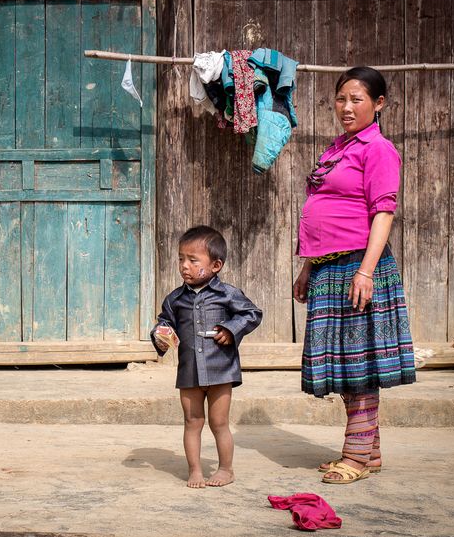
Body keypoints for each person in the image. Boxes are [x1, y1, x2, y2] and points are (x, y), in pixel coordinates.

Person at [292, 67, 416, 485]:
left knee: (359, 362)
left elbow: (384, 213)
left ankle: (356, 456)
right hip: (328, 266)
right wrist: (307, 266)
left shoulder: (378, 149)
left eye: (356, 100)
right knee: (346, 361)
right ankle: (370, 452)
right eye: (341, 99)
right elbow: (320, 209)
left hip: (358, 266)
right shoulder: (337, 148)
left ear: (378, 104)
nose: (346, 108)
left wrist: (365, 271)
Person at [151, 226, 262, 488]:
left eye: (193, 260)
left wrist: (231, 330)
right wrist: (161, 334)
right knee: (192, 421)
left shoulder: (228, 294)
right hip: (189, 370)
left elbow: (252, 314)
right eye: (181, 259)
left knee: (219, 422)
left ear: (215, 265)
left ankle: (226, 469)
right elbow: (164, 324)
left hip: (221, 369)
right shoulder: (175, 299)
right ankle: (195, 470)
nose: (184, 266)